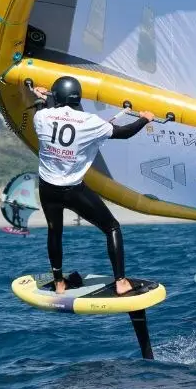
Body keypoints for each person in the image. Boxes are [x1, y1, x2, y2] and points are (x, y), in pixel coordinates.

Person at [30, 76, 156, 295]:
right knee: (112, 227)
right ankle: (121, 282)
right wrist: (144, 119)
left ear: (55, 96)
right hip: (72, 190)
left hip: (47, 188)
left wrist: (41, 98)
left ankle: (59, 283)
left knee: (55, 232)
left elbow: (46, 111)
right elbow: (123, 133)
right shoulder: (91, 122)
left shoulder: (41, 116)